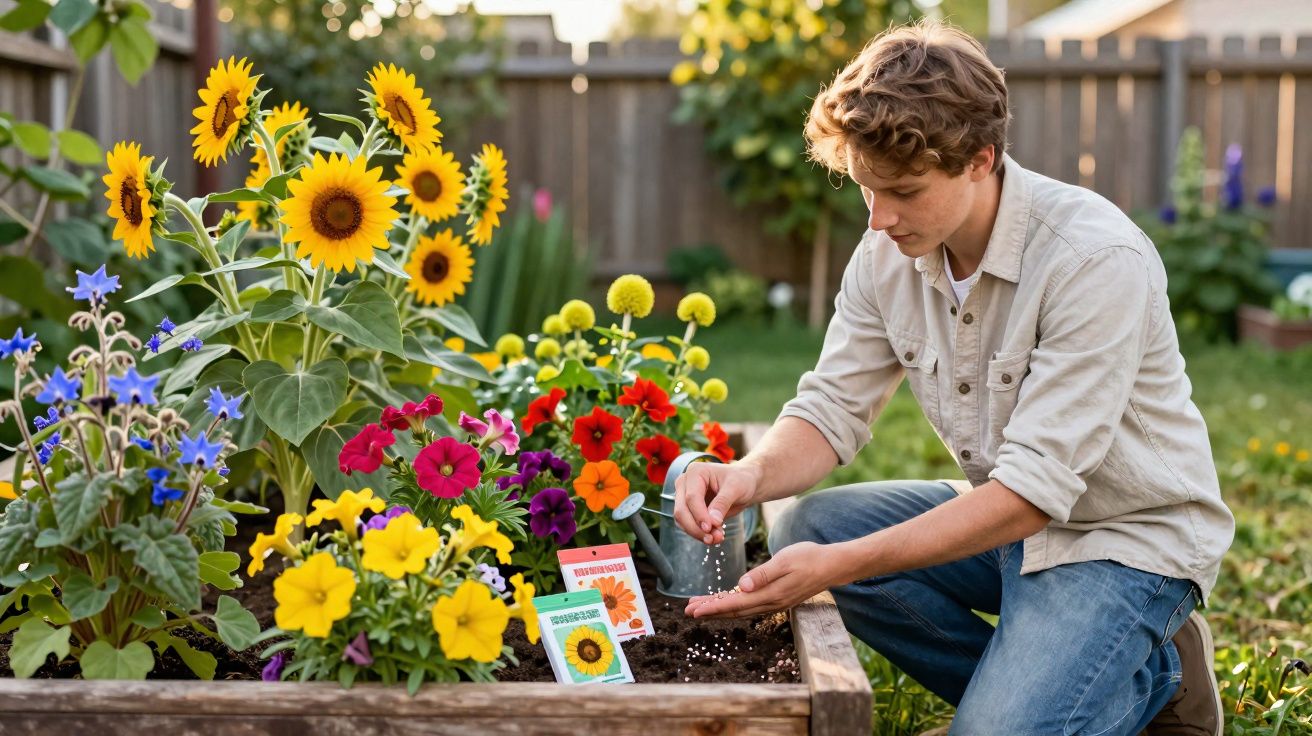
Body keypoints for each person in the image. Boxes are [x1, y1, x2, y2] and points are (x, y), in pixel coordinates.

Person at [674, 20, 1234, 736]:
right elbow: (832, 406)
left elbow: (1033, 494)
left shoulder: (1093, 261)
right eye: (864, 190)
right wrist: (747, 476)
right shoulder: (889, 253)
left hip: (1124, 539)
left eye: (902, 190)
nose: (878, 220)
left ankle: (1156, 679)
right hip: (1007, 522)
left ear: (979, 159)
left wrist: (837, 566)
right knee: (808, 525)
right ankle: (1076, 682)